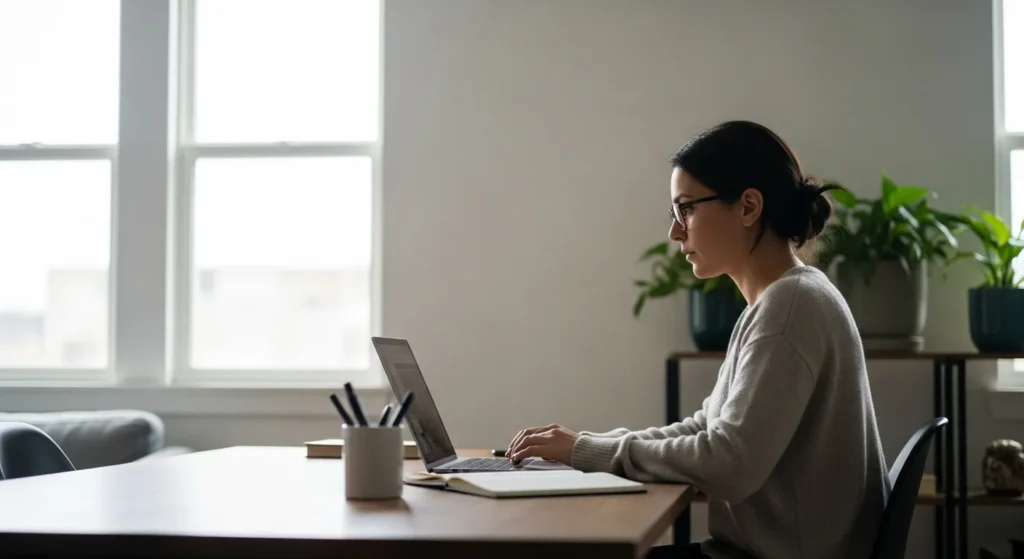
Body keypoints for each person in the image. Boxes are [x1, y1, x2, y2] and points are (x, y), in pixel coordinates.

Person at [507, 120, 890, 559]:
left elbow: (730, 465)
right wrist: (587, 446)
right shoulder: (782, 299)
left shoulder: (790, 307)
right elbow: (706, 428)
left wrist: (589, 450)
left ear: (748, 207)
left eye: (685, 209)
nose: (675, 232)